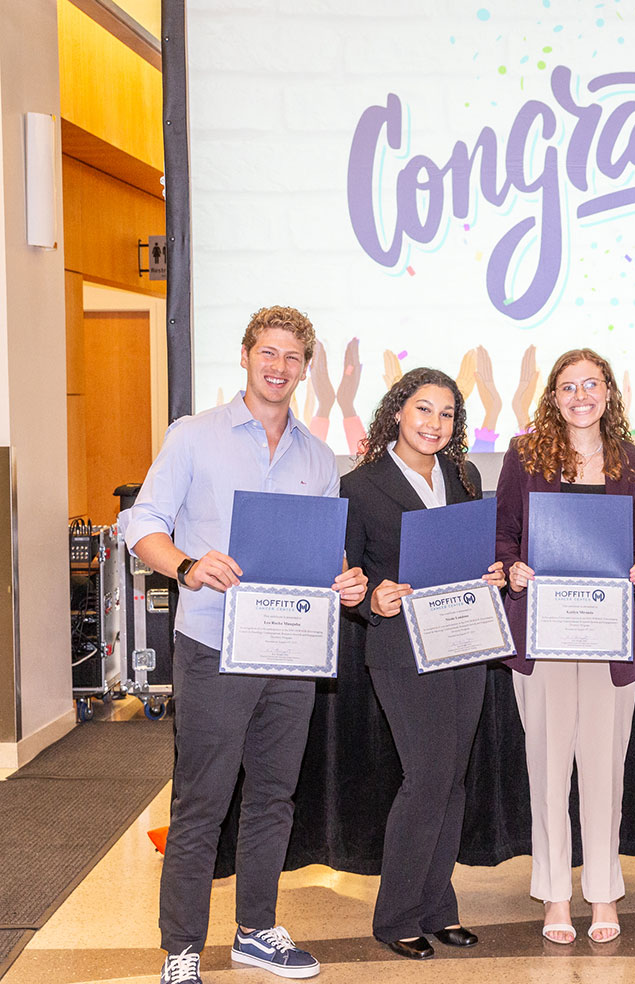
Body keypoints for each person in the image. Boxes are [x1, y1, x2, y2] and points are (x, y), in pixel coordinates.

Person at [119, 306, 368, 984]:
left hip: (289, 650)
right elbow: (140, 524)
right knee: (202, 801)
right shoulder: (195, 436)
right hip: (213, 645)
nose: (279, 366)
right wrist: (188, 564)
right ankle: (182, 949)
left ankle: (256, 931)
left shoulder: (319, 456)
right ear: (245, 355)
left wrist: (344, 582)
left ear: (306, 369)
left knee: (273, 796)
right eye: (269, 351)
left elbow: (322, 554)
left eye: (293, 357)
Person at [340, 367, 506, 959]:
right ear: (397, 413)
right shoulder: (359, 486)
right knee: (427, 778)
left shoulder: (465, 475)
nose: (435, 424)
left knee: (452, 781)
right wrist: (371, 600)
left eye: (447, 414)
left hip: (462, 641)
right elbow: (348, 577)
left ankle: (438, 909)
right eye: (423, 410)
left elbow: (475, 552)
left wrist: (493, 573)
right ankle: (396, 917)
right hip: (400, 649)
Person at [494, 348, 635, 944]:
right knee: (548, 769)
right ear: (553, 396)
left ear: (609, 393)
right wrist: (512, 568)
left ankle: (604, 894)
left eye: (592, 384)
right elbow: (505, 533)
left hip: (610, 639)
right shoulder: (524, 454)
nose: (580, 395)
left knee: (605, 771)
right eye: (568, 386)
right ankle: (556, 897)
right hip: (543, 635)